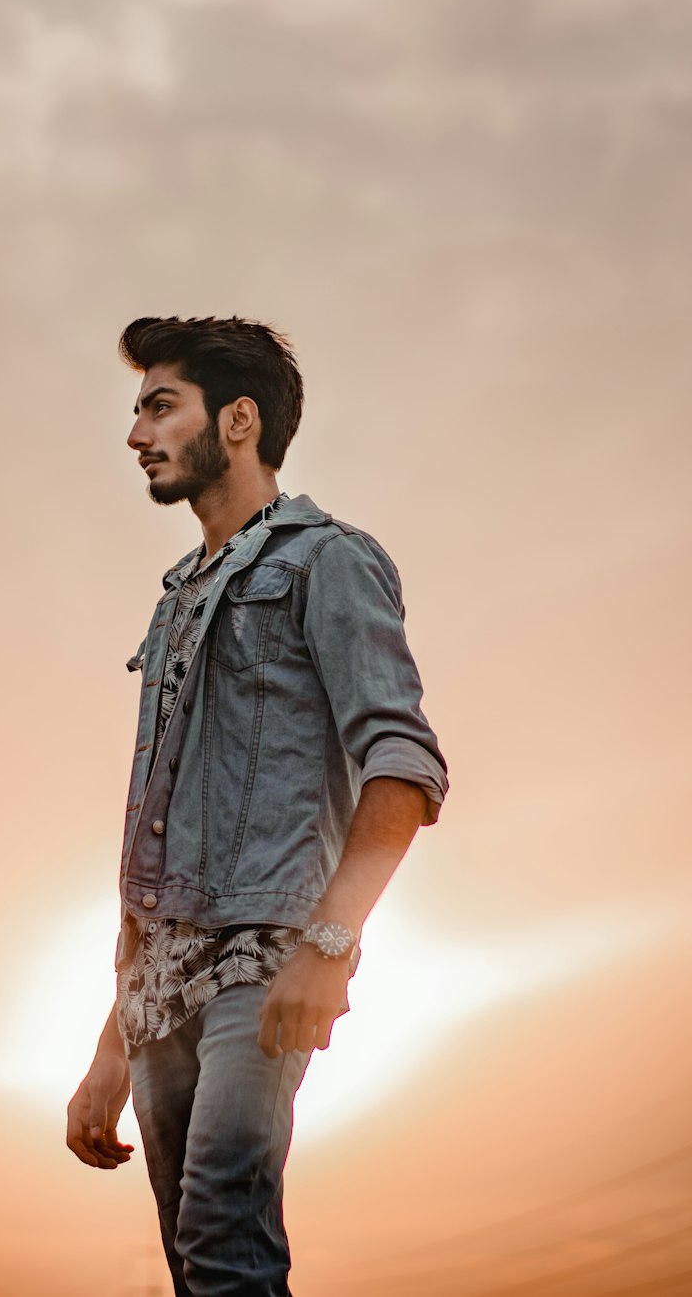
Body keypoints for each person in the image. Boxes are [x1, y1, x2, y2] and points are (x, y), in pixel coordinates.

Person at [66, 316, 448, 1297]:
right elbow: (162, 835)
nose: (136, 432)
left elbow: (399, 765)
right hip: (158, 983)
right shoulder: (175, 603)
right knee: (199, 1268)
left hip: (267, 955)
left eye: (160, 406)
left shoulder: (329, 561)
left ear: (237, 421)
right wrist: (113, 1043)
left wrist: (329, 945)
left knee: (223, 1236)